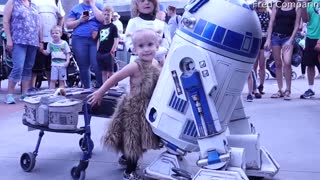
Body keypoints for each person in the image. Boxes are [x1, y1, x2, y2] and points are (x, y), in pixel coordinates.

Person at [88, 28, 161, 180]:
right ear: (134, 49)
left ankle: (125, 158)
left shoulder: (156, 63)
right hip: (133, 109)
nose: (146, 49)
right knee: (133, 139)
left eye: (150, 44)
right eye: (141, 46)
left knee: (144, 139)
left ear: (157, 46)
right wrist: (100, 92)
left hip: (148, 108)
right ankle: (130, 171)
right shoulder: (135, 66)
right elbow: (114, 78)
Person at [3, 0, 41, 104]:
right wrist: (9, 39)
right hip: (18, 40)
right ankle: (9, 94)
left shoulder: (34, 5)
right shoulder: (12, 2)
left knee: (28, 67)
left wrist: (40, 40)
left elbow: (38, 24)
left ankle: (24, 93)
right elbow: (6, 21)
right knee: (18, 67)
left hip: (32, 41)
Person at [265, 0, 301, 100]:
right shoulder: (277, 4)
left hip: (288, 38)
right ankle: (280, 89)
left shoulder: (297, 6)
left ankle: (288, 89)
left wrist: (291, 40)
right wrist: (268, 39)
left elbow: (297, 25)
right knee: (278, 64)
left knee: (287, 62)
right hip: (275, 37)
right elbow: (271, 22)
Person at [66, 0, 104, 89]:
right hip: (79, 39)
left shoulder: (100, 6)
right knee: (83, 66)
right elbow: (68, 25)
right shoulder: (76, 8)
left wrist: (93, 5)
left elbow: (103, 19)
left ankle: (101, 89)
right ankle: (87, 90)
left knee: (97, 64)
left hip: (96, 39)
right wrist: (80, 20)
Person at [125, 0, 171, 66]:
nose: (146, 2)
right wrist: (142, 52)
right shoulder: (133, 22)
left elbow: (166, 46)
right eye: (142, 1)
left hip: (158, 64)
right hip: (137, 64)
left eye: (150, 0)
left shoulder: (162, 24)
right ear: (136, 5)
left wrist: (153, 52)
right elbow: (128, 43)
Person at [31, 0, 65, 88]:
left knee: (50, 66)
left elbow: (61, 16)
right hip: (36, 38)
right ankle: (31, 88)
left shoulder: (56, 1)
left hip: (52, 39)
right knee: (34, 66)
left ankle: (51, 88)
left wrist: (59, 30)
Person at [300, 0, 320, 98]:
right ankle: (311, 89)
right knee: (310, 64)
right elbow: (305, 20)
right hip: (311, 37)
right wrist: (303, 5)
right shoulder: (309, 3)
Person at [97, 5, 119, 83]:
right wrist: (97, 50)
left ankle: (112, 88)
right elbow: (99, 39)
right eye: (105, 14)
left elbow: (116, 39)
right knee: (103, 72)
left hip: (109, 52)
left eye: (108, 15)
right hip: (100, 52)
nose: (106, 16)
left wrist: (112, 50)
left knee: (110, 72)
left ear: (111, 15)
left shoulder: (113, 27)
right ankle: (105, 89)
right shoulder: (100, 27)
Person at [254, 0, 271, 95]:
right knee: (254, 65)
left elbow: (271, 26)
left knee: (262, 65)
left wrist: (269, 40)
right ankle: (253, 86)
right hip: (255, 39)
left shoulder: (268, 12)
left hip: (264, 39)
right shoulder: (254, 12)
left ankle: (261, 85)